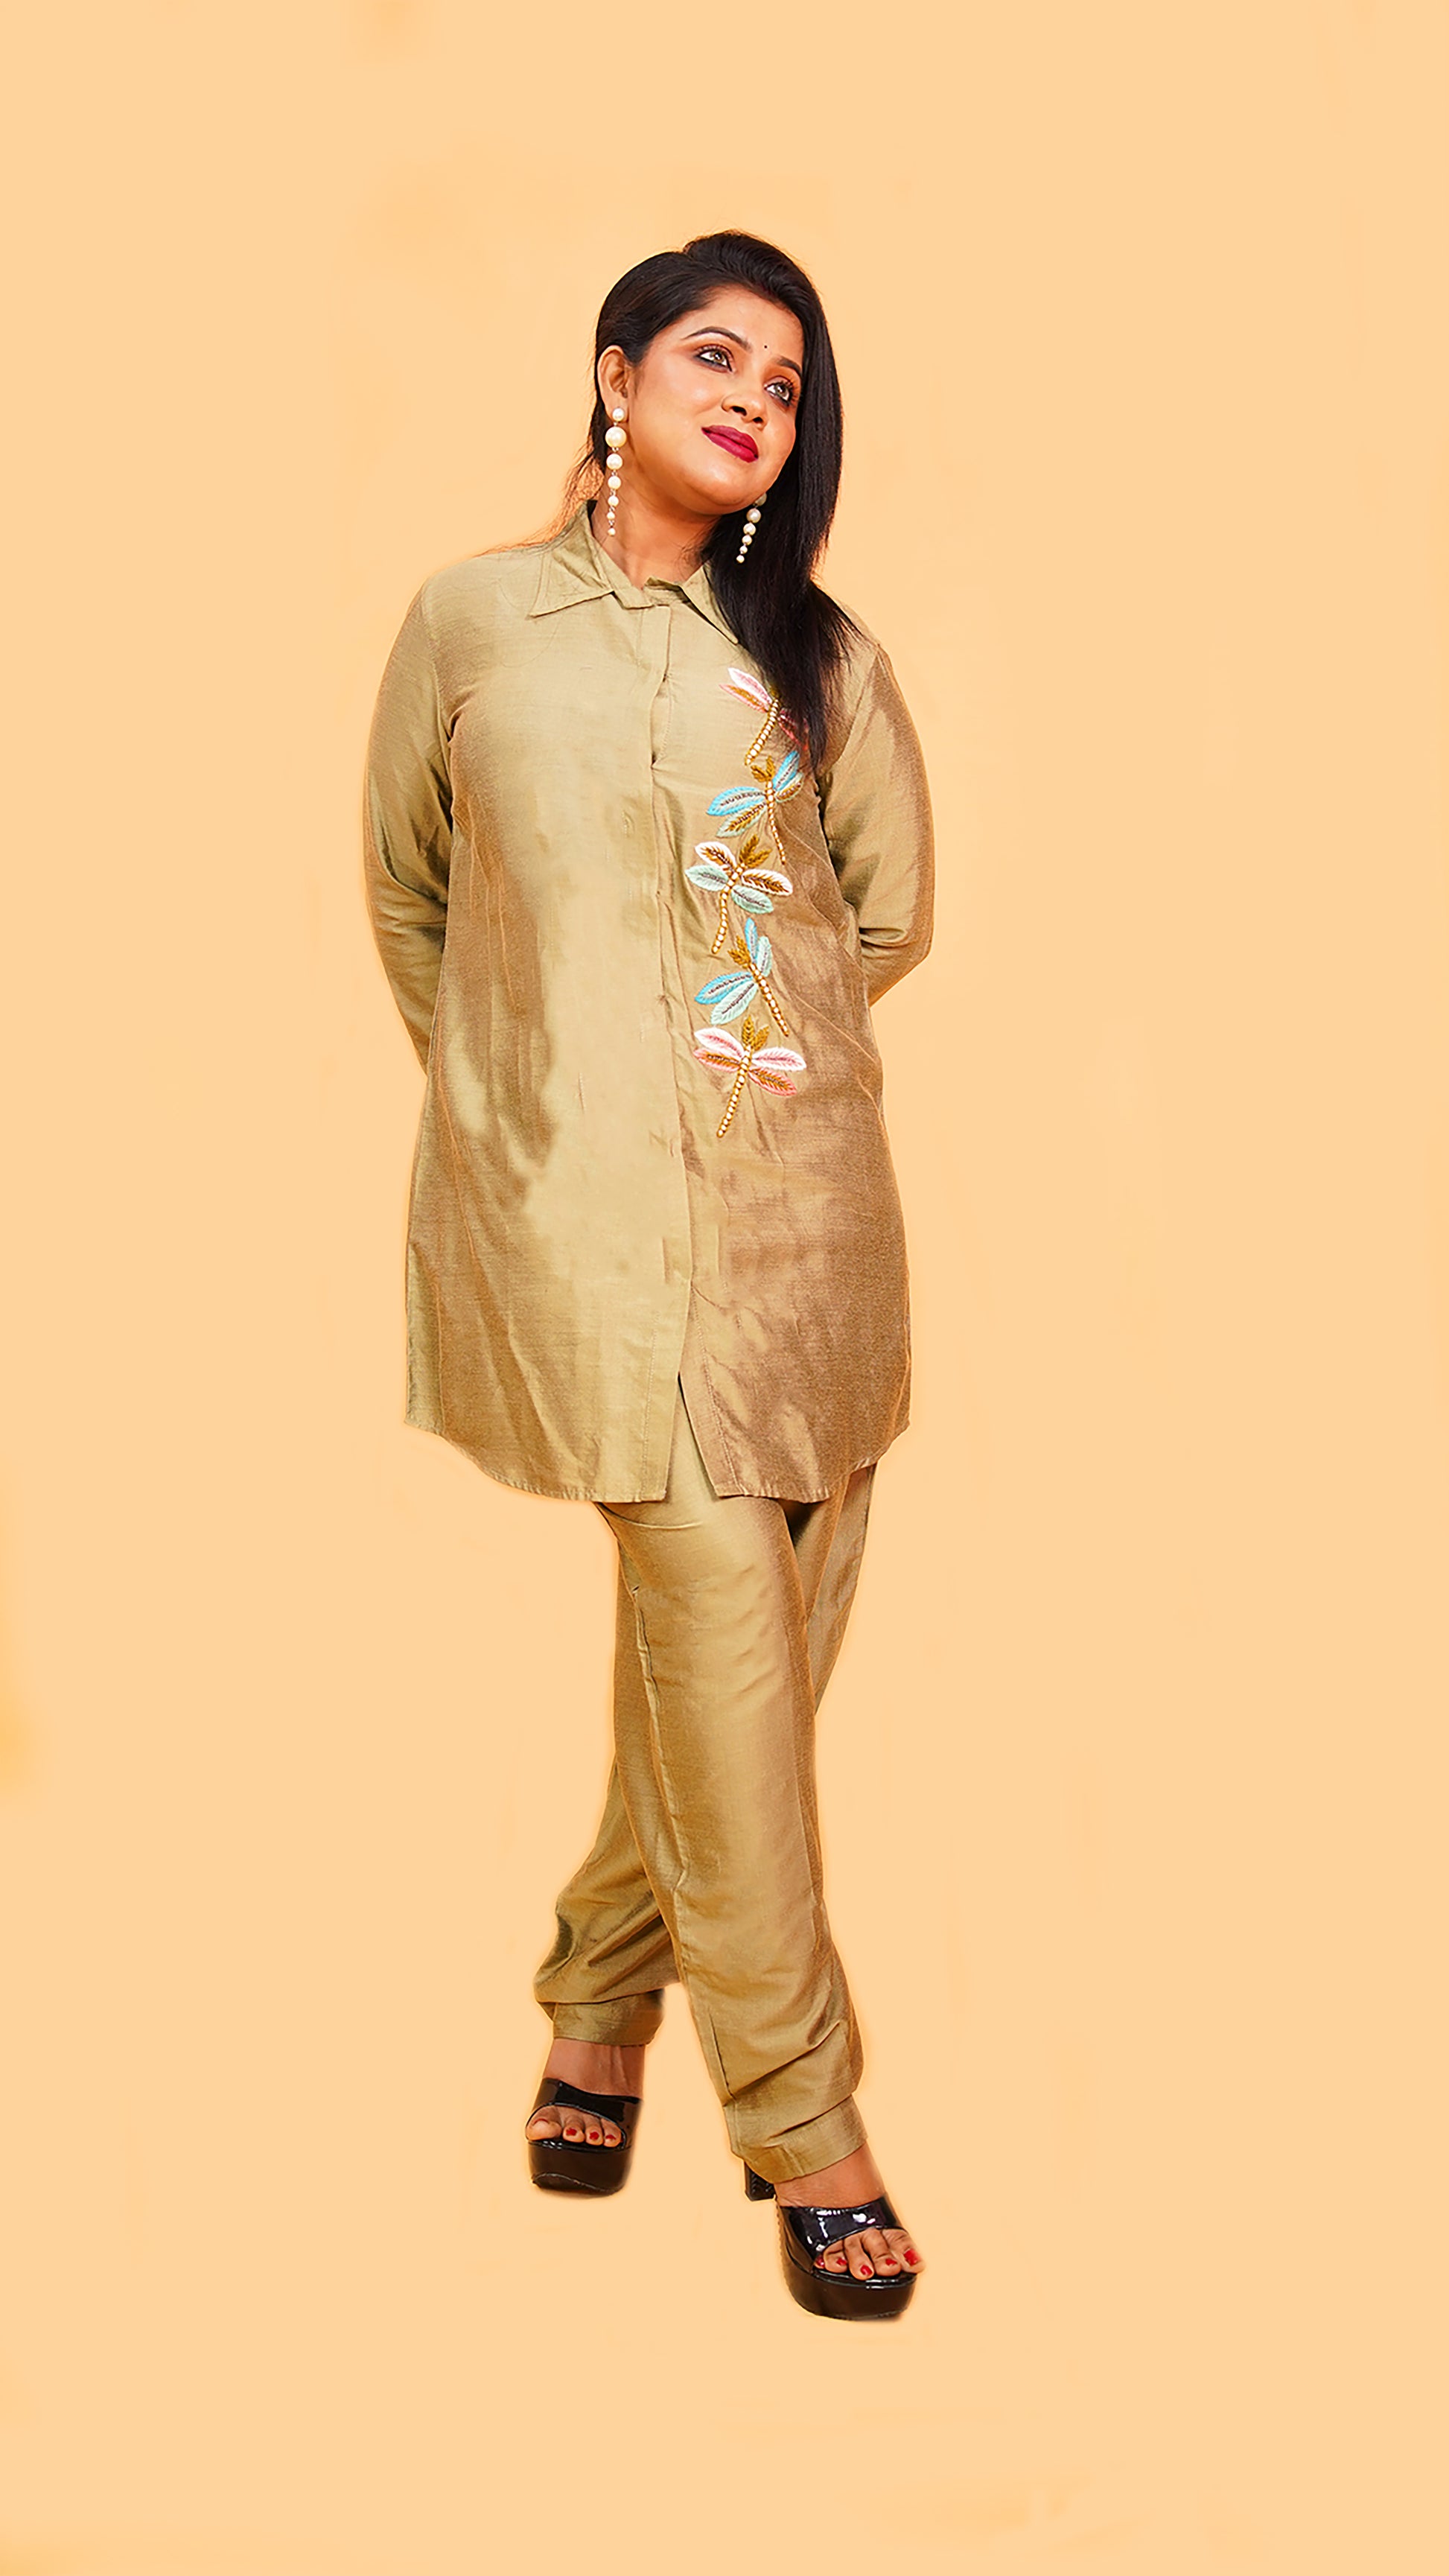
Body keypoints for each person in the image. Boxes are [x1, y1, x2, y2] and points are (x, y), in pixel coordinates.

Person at [362, 230, 934, 2320]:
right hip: (586, 1237)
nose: (751, 401)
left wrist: (738, 1057)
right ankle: (807, 2128)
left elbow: (882, 911)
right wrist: (535, 1091)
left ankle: (598, 1998)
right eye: (714, 355)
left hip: (808, 1231)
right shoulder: (472, 623)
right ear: (615, 372)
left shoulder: (817, 656)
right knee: (727, 1656)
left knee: (729, 1682)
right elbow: (412, 893)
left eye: (785, 384)